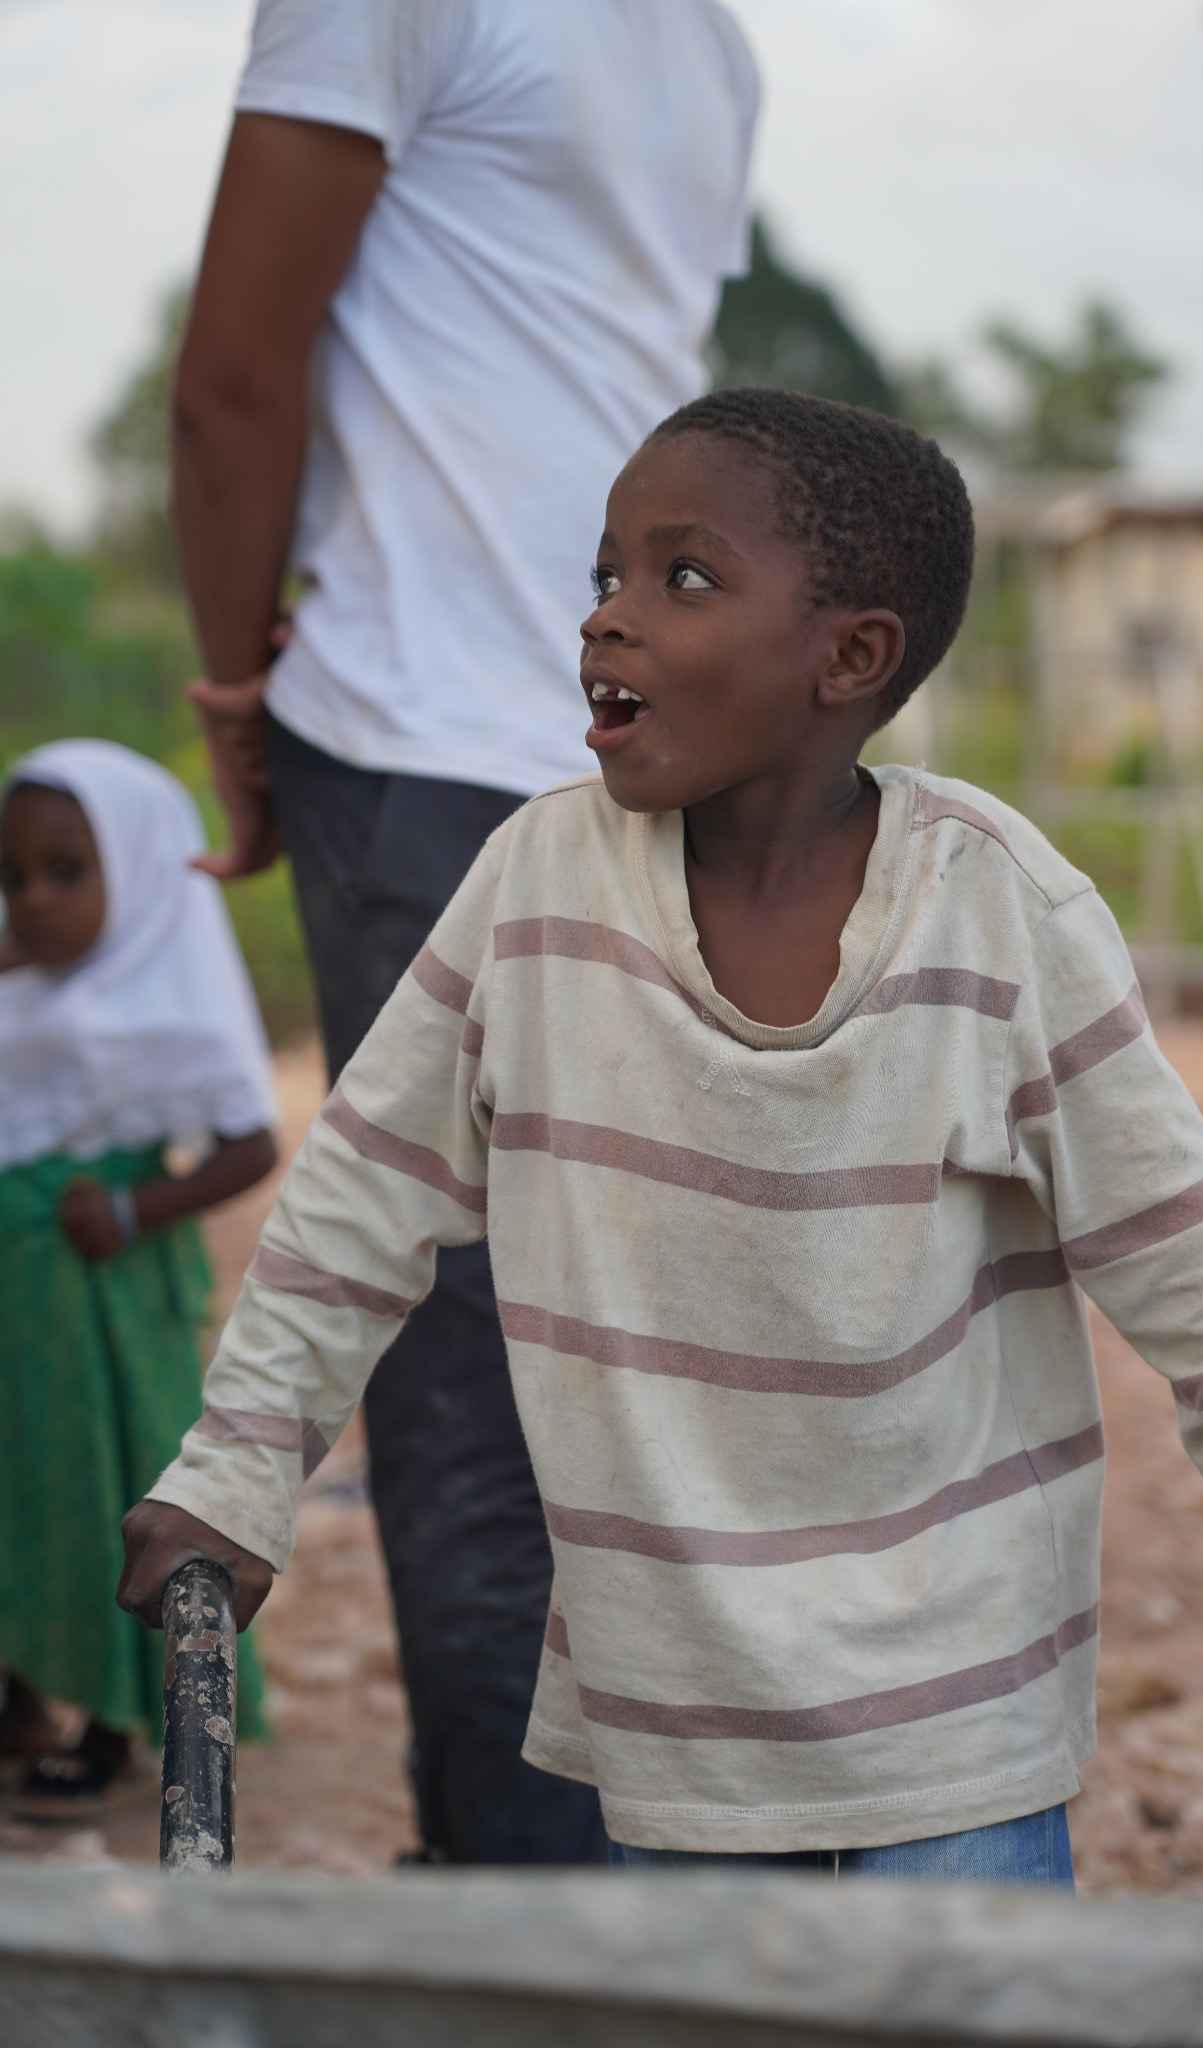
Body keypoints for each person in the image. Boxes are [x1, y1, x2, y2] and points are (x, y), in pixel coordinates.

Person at [122, 388, 1203, 1879]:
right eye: (604, 576)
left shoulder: (995, 915)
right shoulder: (536, 894)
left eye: (682, 578)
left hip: (956, 1719)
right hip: (677, 1727)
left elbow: (1190, 1271)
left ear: (849, 657)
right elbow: (351, 1215)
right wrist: (238, 1470)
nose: (609, 622)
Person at [170, 0, 759, 1866]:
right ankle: (662, 1910)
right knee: (649, 1372)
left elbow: (233, 380)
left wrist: (231, 706)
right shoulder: (708, 42)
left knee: (476, 1388)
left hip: (427, 747)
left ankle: (533, 1939)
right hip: (671, 753)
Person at [0, 741, 276, 1811]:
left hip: (99, 1292)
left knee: (110, 1481)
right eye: (12, 873)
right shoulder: (18, 987)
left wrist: (131, 1208)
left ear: (144, 868)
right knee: (23, 1484)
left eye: (67, 870)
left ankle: (119, 1716)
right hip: (20, 1294)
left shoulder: (164, 1009)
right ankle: (21, 1688)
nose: (33, 898)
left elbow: (249, 1143)